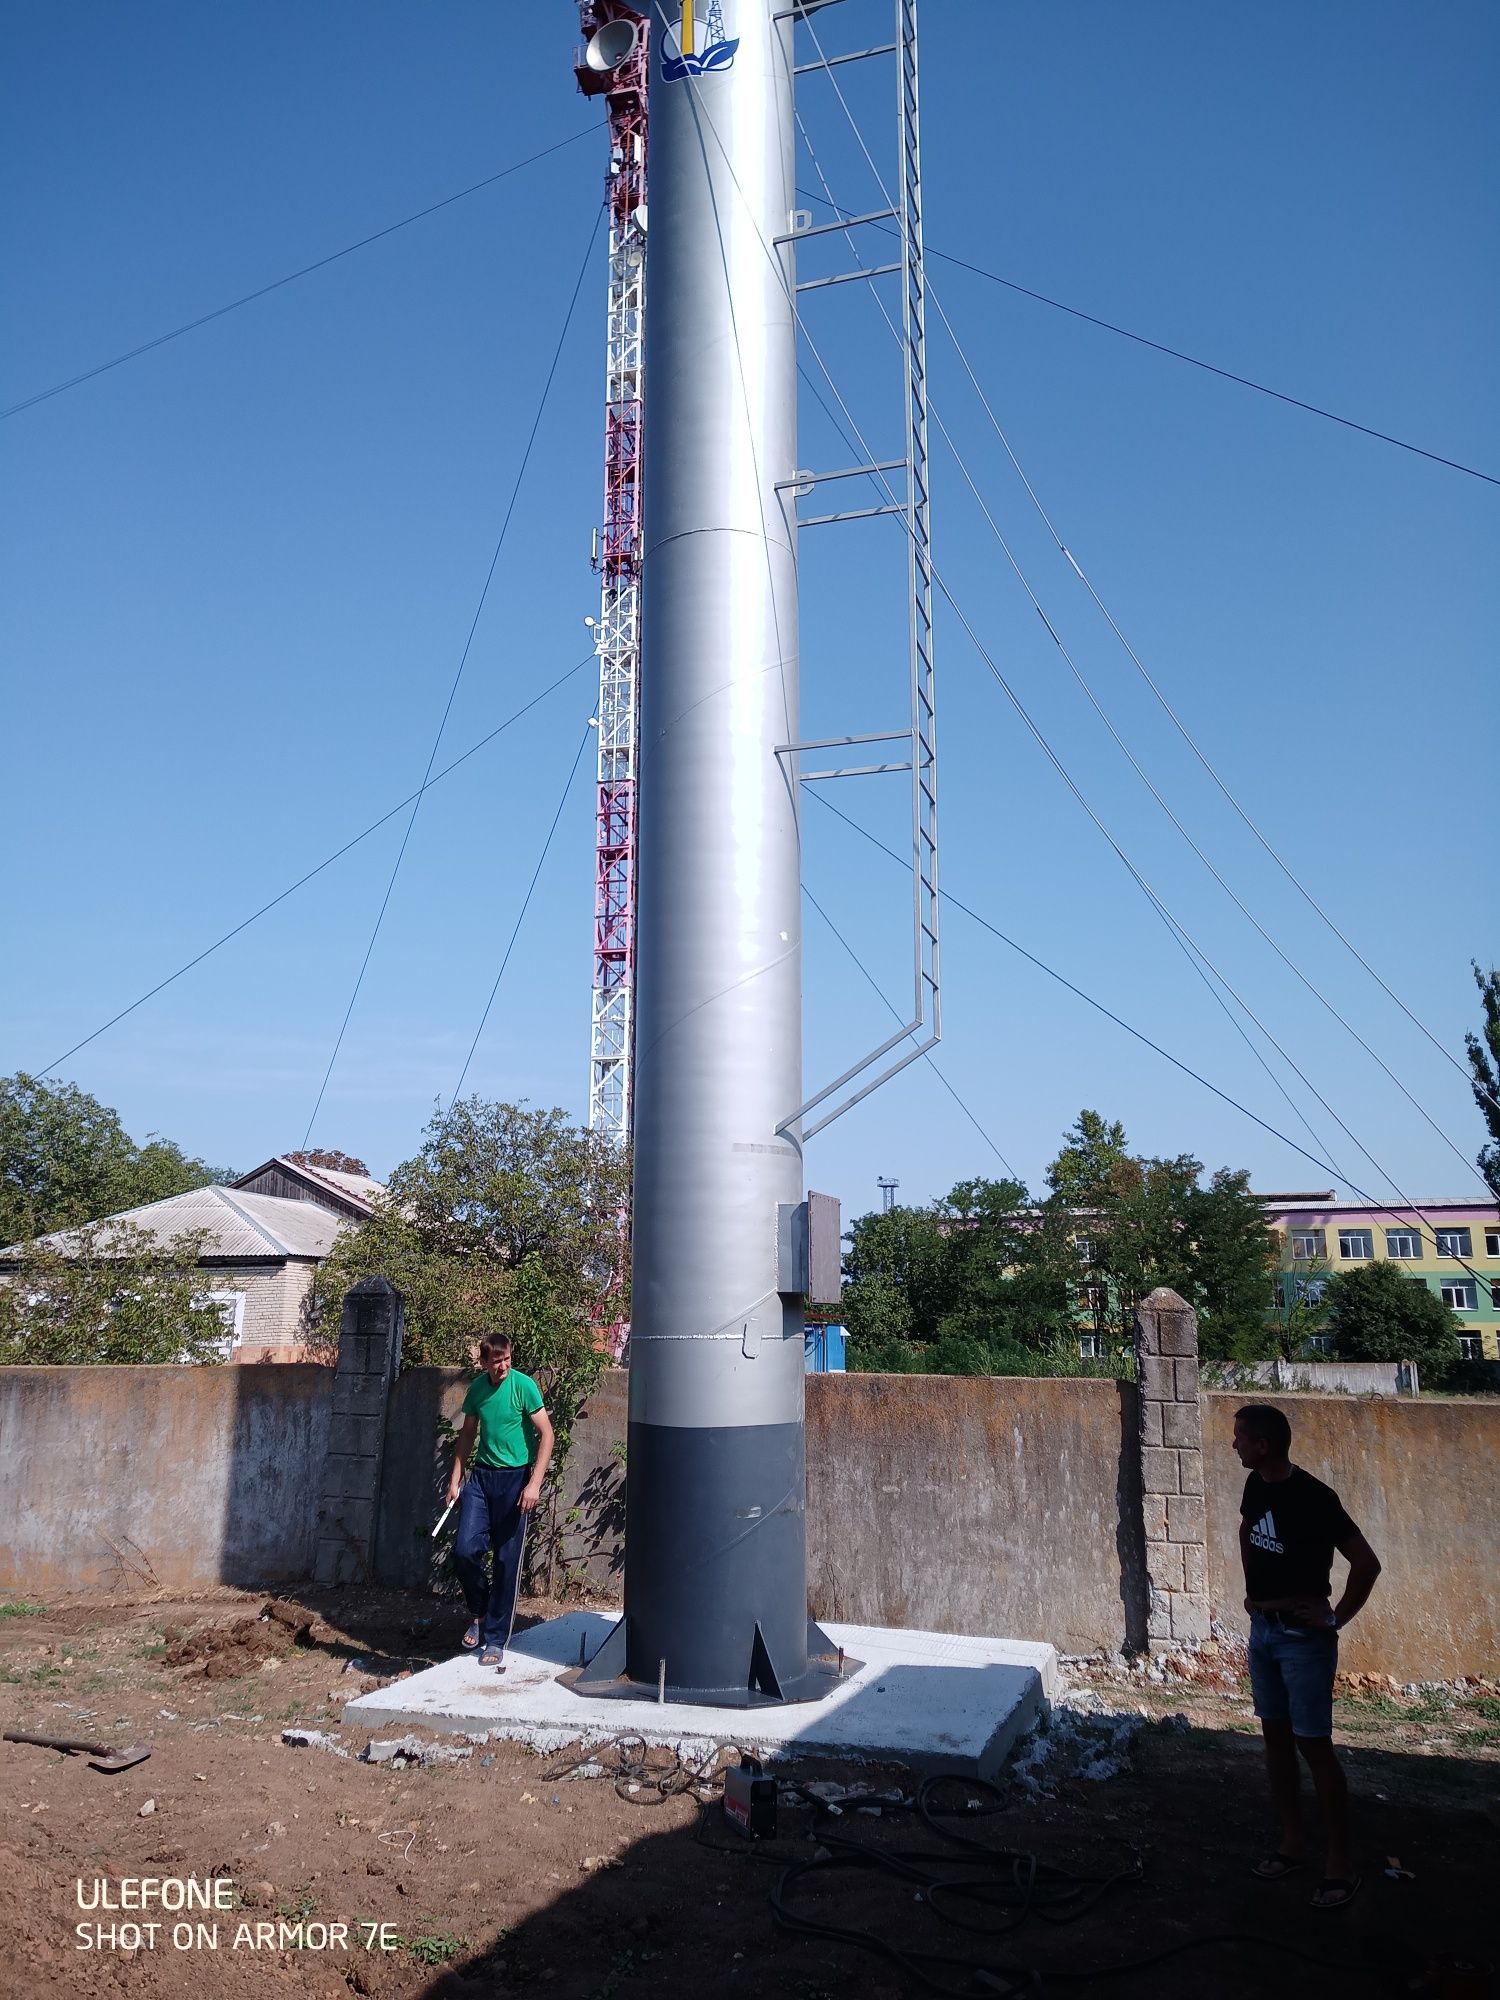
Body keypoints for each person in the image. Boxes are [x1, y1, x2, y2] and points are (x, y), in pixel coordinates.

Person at [1232, 1403, 1382, 1911]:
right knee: (1275, 1740)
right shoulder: (1256, 1487)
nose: (1234, 1445)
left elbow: (1366, 1562)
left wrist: (1336, 1617)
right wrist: (1254, 1593)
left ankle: (1339, 1864)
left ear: (1263, 1445)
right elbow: (1248, 1529)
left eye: (1240, 1439)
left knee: (1313, 1746)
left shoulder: (1316, 1497)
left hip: (1303, 1640)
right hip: (1264, 1633)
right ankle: (1292, 1844)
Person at [445, 1332, 554, 1670]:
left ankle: (494, 1639)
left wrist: (534, 1483)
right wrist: (455, 1478)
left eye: (507, 1359)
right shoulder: (477, 1389)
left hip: (515, 1480)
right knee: (464, 1551)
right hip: (481, 1477)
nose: (503, 1366)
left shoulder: (524, 1386)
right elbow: (466, 1435)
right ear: (484, 1363)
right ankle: (478, 1613)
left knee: (507, 1562)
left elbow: (547, 1434)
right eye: (497, 1361)